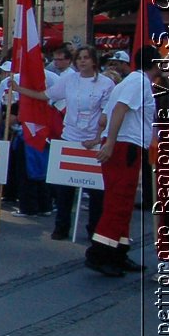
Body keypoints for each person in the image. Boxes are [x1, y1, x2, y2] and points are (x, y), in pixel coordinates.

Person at [86, 46, 165, 276]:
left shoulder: (133, 82)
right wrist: (110, 143)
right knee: (117, 201)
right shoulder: (138, 83)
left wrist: (102, 139)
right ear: (154, 64)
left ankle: (118, 251)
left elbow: (106, 116)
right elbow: (119, 110)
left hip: (126, 144)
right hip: (124, 145)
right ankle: (99, 253)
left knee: (123, 202)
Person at [21, 46, 112, 241]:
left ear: (94, 60)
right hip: (70, 138)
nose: (82, 61)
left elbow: (107, 115)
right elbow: (46, 95)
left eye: (86, 58)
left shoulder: (106, 83)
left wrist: (97, 138)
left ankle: (94, 229)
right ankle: (61, 227)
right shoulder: (69, 80)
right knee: (65, 189)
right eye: (79, 58)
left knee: (96, 191)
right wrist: (19, 89)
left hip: (92, 142)